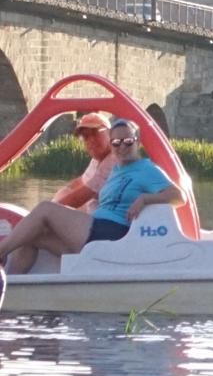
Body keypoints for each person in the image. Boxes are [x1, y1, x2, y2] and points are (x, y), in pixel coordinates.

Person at [0, 118, 186, 273]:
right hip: (93, 234)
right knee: (30, 236)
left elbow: (179, 196)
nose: (122, 147)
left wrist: (145, 199)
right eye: (116, 143)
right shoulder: (116, 170)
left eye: (128, 141)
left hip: (110, 232)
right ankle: (11, 285)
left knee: (45, 209)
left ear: (137, 142)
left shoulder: (146, 169)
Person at [53, 112, 116, 212]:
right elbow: (81, 181)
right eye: (86, 137)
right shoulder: (97, 159)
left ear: (111, 133)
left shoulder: (113, 159)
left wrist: (48, 210)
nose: (91, 140)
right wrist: (60, 195)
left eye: (95, 133)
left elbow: (80, 197)